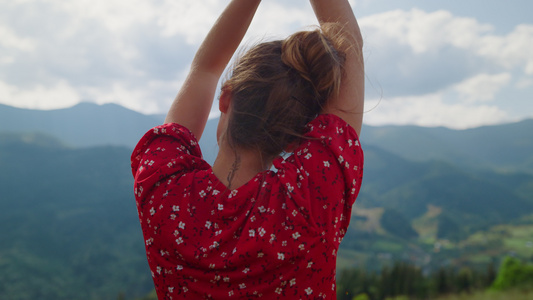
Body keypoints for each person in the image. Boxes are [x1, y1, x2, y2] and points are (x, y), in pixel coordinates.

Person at [131, 0, 364, 298]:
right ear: (297, 139)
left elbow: (205, 68)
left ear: (225, 99)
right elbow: (351, 50)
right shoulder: (311, 197)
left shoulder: (162, 189)